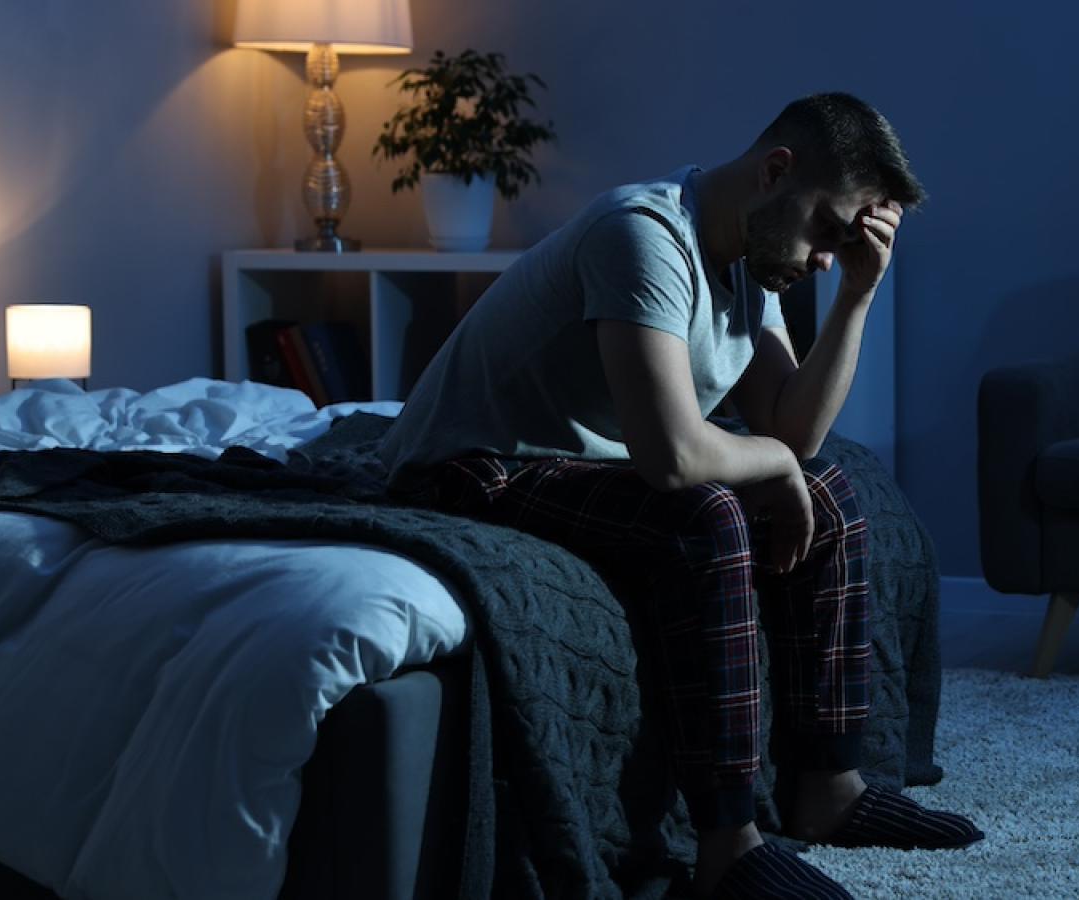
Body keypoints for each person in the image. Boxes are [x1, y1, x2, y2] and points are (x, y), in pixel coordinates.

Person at [380, 92, 981, 899]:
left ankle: (829, 790)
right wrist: (771, 467)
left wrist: (858, 296)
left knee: (827, 488)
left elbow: (792, 432)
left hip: (578, 465)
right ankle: (728, 843)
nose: (828, 256)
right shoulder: (643, 234)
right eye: (829, 229)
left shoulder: (751, 259)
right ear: (776, 172)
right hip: (471, 466)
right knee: (707, 512)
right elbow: (671, 458)